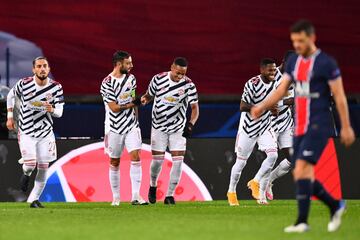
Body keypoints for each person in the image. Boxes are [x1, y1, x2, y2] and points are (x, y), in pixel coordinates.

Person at [251, 20, 355, 233]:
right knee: (300, 173)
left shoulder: (327, 63)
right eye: (294, 41)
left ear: (312, 38)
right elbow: (281, 91)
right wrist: (261, 106)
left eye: (301, 40)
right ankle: (335, 205)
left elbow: (341, 96)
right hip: (299, 126)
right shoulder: (293, 64)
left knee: (302, 168)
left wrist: (346, 126)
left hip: (319, 125)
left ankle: (302, 221)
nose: (297, 44)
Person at [6, 56, 64, 208]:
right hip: (26, 131)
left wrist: (52, 110)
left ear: (49, 69)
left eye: (45, 66)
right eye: (39, 66)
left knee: (44, 167)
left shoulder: (56, 87)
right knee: (31, 165)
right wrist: (10, 117)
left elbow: (60, 112)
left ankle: (34, 200)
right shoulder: (24, 84)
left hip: (46, 134)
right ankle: (26, 173)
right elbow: (10, 96)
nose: (42, 69)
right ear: (34, 69)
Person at [141, 57, 199, 205]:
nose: (180, 76)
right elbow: (149, 95)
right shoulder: (158, 79)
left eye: (183, 74)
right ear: (172, 67)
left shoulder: (189, 85)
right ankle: (153, 185)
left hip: (177, 128)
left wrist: (190, 124)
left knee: (178, 162)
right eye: (178, 73)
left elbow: (195, 109)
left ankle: (169, 195)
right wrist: (145, 99)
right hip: (158, 127)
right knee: (157, 162)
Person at [227, 58, 278, 206]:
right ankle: (231, 191)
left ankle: (255, 181)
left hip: (265, 126)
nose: (273, 73)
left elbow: (273, 104)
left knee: (273, 154)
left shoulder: (276, 84)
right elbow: (243, 106)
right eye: (270, 70)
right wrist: (264, 107)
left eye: (274, 70)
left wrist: (273, 109)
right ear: (262, 70)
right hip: (248, 128)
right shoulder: (252, 84)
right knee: (241, 163)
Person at [100, 50, 148, 206]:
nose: (131, 66)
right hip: (114, 127)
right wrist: (133, 104)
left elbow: (133, 98)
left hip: (131, 126)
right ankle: (116, 197)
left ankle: (136, 196)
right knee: (114, 161)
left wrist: (137, 120)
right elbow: (114, 108)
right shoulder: (106, 83)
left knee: (136, 156)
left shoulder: (131, 79)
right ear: (119, 64)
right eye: (128, 63)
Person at [253, 51, 296, 201]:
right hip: (269, 123)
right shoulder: (271, 75)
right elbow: (263, 100)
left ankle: (270, 180)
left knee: (293, 158)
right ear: (284, 62)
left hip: (285, 122)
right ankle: (261, 194)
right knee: (272, 157)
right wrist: (286, 102)